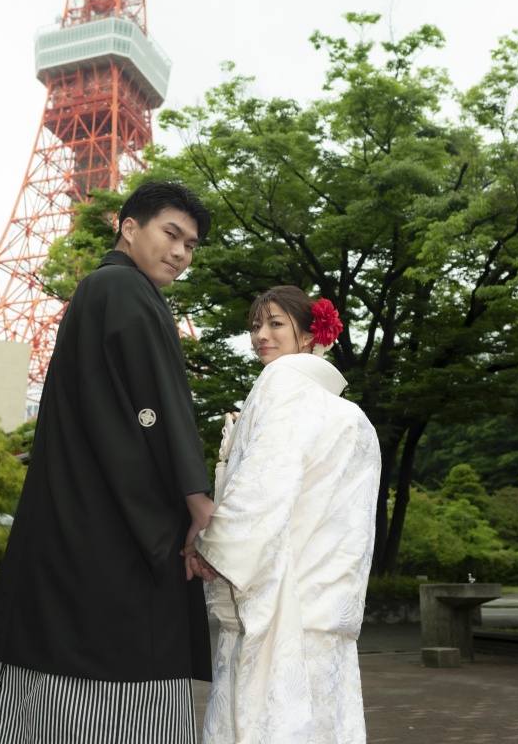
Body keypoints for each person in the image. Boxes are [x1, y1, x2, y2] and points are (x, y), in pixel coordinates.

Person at [0, 180, 215, 744]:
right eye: (172, 234)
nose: (181, 253)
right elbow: (158, 407)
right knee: (118, 663)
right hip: (110, 524)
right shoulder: (123, 291)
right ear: (128, 225)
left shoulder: (102, 289)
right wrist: (197, 499)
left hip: (74, 512)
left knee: (48, 664)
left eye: (191, 245)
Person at [184, 286, 381, 744]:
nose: (260, 336)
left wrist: (215, 548)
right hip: (327, 603)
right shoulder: (351, 415)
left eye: (275, 323)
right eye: (256, 325)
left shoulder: (283, 384)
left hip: (279, 602)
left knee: (263, 721)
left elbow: (265, 484)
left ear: (313, 334)